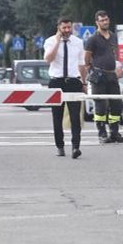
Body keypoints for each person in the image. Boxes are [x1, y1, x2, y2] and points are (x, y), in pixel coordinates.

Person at [44, 17, 86, 158]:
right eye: (64, 28)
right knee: (57, 116)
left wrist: (84, 82)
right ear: (59, 28)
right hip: (57, 81)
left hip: (74, 81)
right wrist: (57, 42)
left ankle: (75, 147)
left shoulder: (78, 42)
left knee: (75, 117)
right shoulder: (50, 41)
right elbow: (48, 59)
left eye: (69, 27)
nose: (67, 30)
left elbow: (81, 64)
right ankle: (60, 146)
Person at [84, 10, 123, 144]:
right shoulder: (93, 39)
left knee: (116, 104)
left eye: (106, 19)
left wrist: (118, 66)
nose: (105, 22)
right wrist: (91, 70)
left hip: (112, 74)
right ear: (97, 22)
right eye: (102, 20)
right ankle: (102, 133)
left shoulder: (113, 36)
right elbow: (87, 58)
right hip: (99, 75)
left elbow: (115, 54)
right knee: (101, 106)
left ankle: (114, 133)